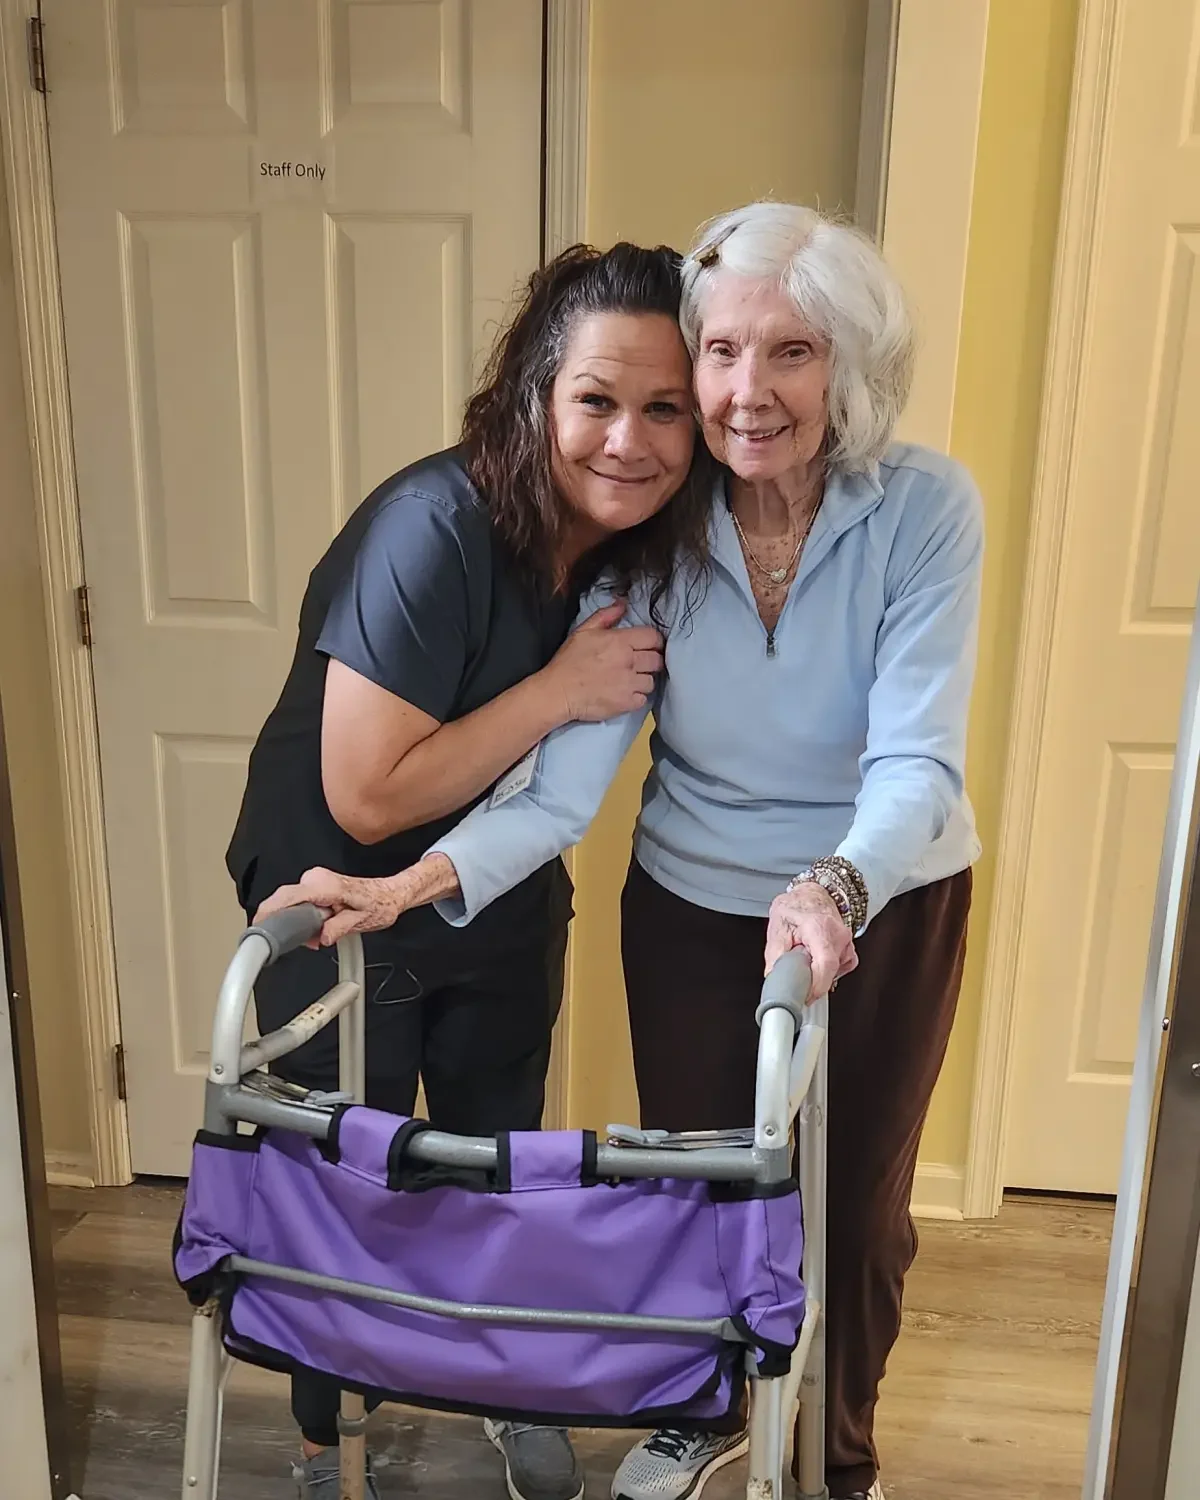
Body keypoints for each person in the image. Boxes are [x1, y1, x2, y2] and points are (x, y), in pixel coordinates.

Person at [258, 201, 984, 1500]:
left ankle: (838, 1457)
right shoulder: (654, 542)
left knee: (857, 1214)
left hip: (885, 896)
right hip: (696, 904)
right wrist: (411, 881)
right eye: (721, 354)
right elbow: (557, 795)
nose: (747, 392)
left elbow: (917, 758)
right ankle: (704, 1404)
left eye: (794, 353)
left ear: (851, 365)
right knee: (702, 1181)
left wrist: (838, 882)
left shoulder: (923, 509)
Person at [227, 240, 715, 1500]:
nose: (630, 440)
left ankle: (503, 1384)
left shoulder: (629, 559)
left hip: (493, 898)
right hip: (339, 898)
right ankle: (327, 1436)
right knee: (355, 1175)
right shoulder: (429, 526)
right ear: (535, 394)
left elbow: (548, 796)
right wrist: (558, 692)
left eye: (666, 408)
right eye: (597, 399)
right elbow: (368, 791)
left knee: (502, 1159)